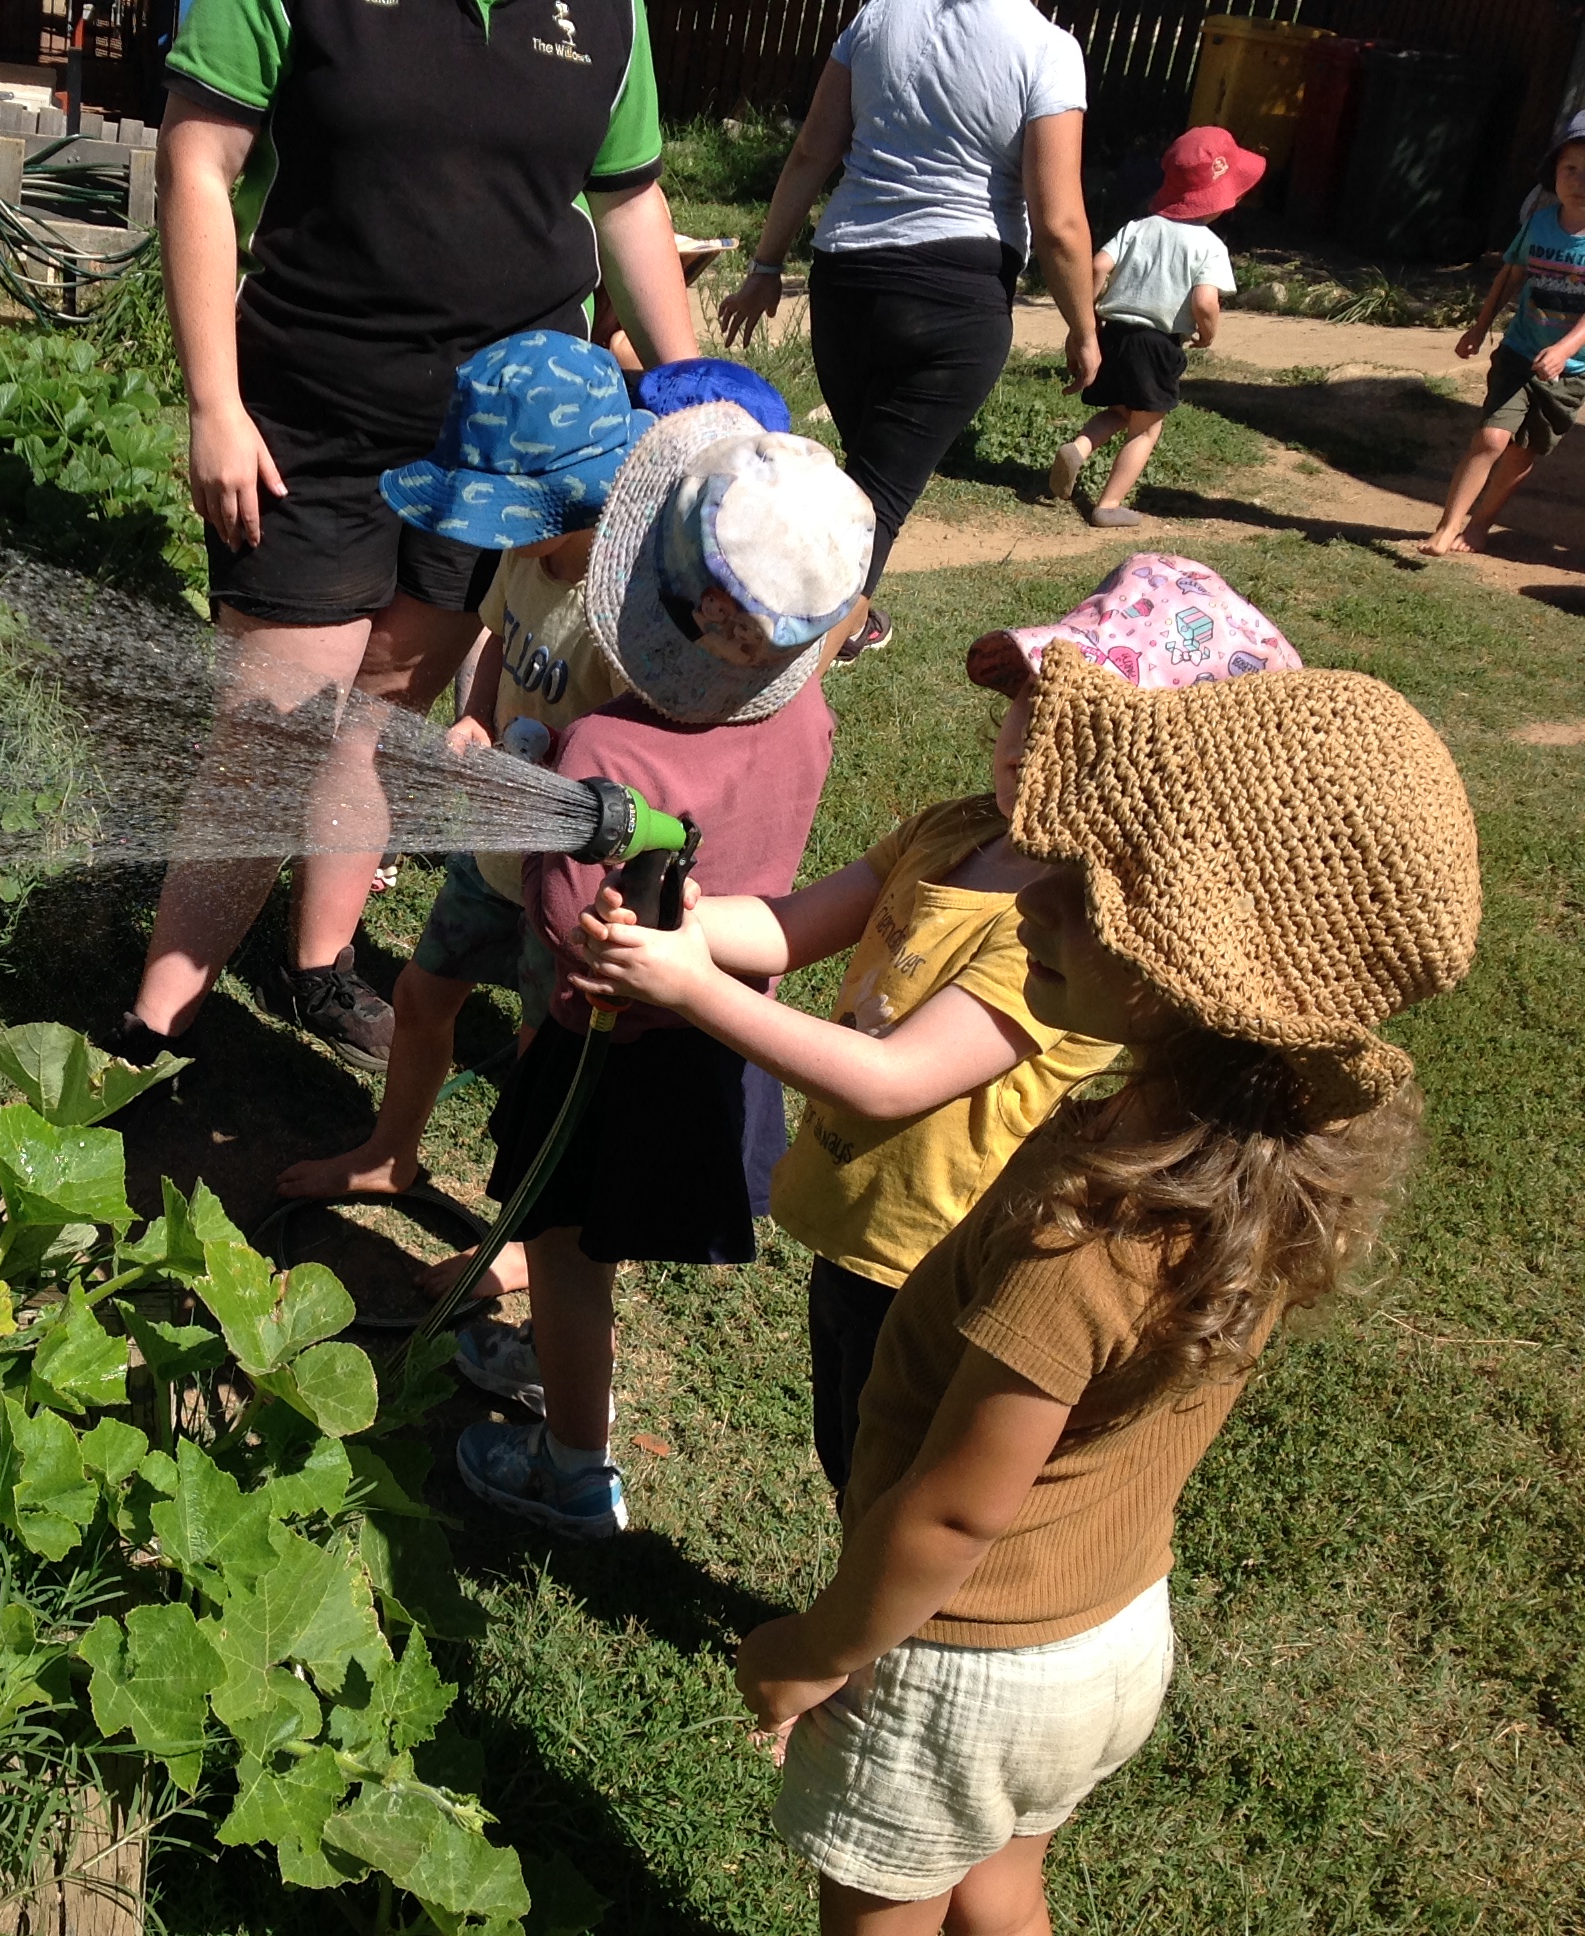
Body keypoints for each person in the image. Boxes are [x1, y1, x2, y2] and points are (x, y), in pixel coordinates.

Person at [732, 650, 1479, 1934]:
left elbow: (956, 1515)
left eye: (1088, 901)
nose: (1035, 912)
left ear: (1197, 987)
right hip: (1108, 1632)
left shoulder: (1083, 1236)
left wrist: (818, 1646)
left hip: (958, 1655)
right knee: (1002, 1876)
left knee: (882, 1906)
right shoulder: (1242, 1183)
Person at [579, 555, 1303, 1497]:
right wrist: (686, 928)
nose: (1026, 741)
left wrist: (693, 992)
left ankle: (865, 1640)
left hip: (942, 1263)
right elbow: (792, 927)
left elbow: (892, 1078)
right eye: (1027, 706)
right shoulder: (957, 830)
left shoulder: (1079, 935)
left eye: (1074, 735)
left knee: (898, 1481)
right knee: (850, 1454)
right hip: (864, 1223)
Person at [109, 0, 703, 1075]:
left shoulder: (610, 12)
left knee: (379, 719)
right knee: (273, 725)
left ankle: (320, 964)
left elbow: (629, 201)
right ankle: (158, 1023)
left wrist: (700, 407)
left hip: (508, 447)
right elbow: (198, 163)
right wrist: (213, 402)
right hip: (309, 417)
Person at [449, 406, 875, 1539]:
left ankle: (575, 1464)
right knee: (602, 1234)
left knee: (570, 1248)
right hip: (713, 1038)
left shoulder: (604, 751)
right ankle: (556, 1359)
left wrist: (530, 793)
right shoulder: (807, 718)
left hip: (603, 1054)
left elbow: (562, 923)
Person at [275, 330, 647, 1203]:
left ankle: (526, 1230)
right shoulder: (524, 557)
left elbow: (641, 757)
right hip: (493, 851)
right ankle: (388, 1156)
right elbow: (496, 646)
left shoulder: (624, 612)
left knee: (538, 1049)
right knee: (422, 990)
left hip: (571, 881)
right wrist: (479, 714)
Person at [713, 0, 1098, 650]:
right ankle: (789, 679)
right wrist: (1083, 327)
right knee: (874, 508)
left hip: (846, 283)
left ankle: (826, 622)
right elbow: (1058, 220)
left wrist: (766, 263)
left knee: (857, 490)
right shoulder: (1046, 48)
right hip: (955, 297)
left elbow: (812, 148)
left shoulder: (877, 18)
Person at [1047, 129, 1262, 529]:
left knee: (1119, 410)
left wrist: (1088, 317)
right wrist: (1208, 334)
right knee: (1146, 429)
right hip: (1157, 344)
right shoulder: (1209, 245)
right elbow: (1204, 302)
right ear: (1218, 198)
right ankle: (1108, 505)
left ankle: (1078, 447)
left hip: (1114, 333)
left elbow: (1096, 265)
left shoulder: (1138, 227)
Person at [1423, 111, 1585, 558]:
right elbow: (1510, 276)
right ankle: (1446, 526)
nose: (1579, 180)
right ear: (1554, 172)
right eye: (1571, 168)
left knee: (1521, 452)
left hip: (1570, 369)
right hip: (1519, 350)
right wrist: (1479, 327)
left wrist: (1567, 347)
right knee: (1492, 437)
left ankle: (1479, 526)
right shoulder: (1539, 223)